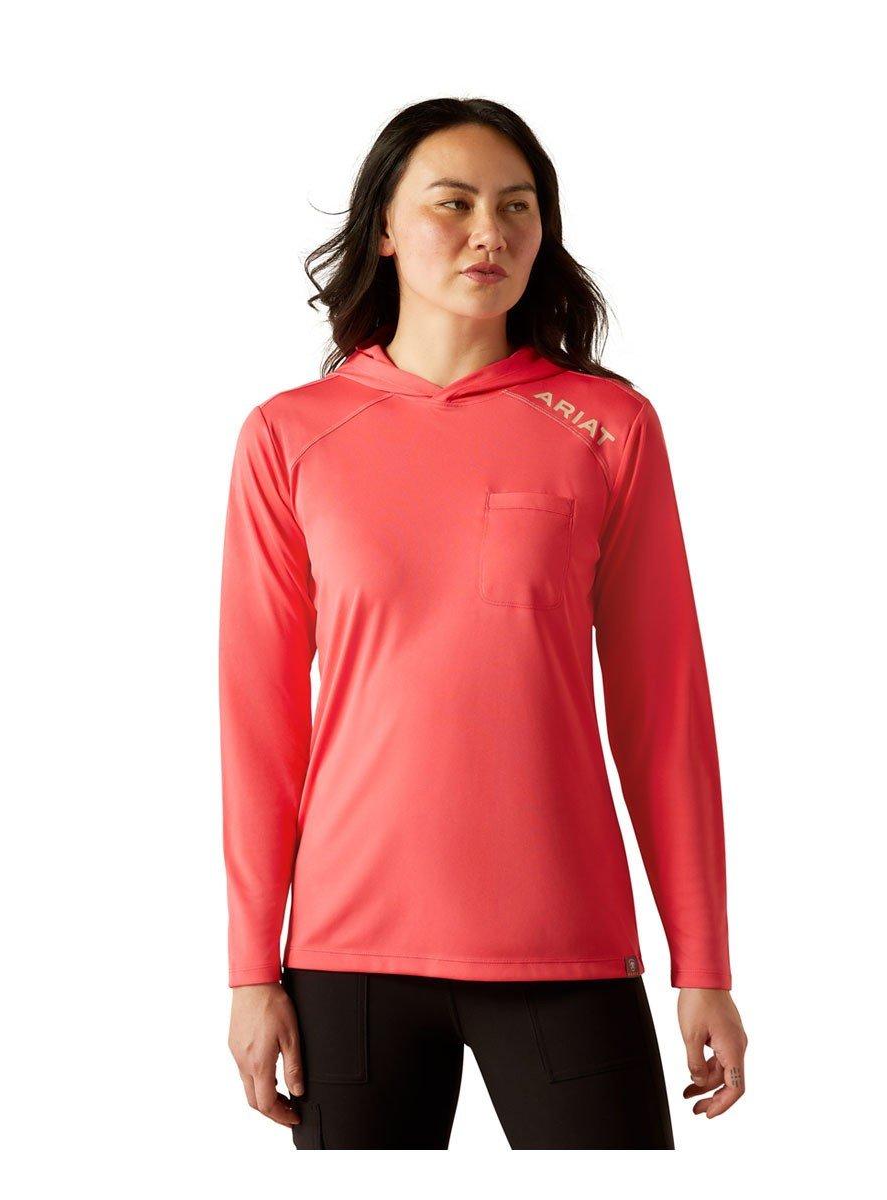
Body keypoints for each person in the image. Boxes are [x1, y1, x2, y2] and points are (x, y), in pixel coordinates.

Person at [220, 97, 747, 1150]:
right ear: (384, 225)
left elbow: (664, 714)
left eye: (516, 207)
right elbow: (259, 727)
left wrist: (704, 965)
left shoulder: (608, 429)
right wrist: (248, 972)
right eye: (452, 204)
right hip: (347, 954)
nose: (489, 234)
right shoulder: (291, 436)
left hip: (566, 943)